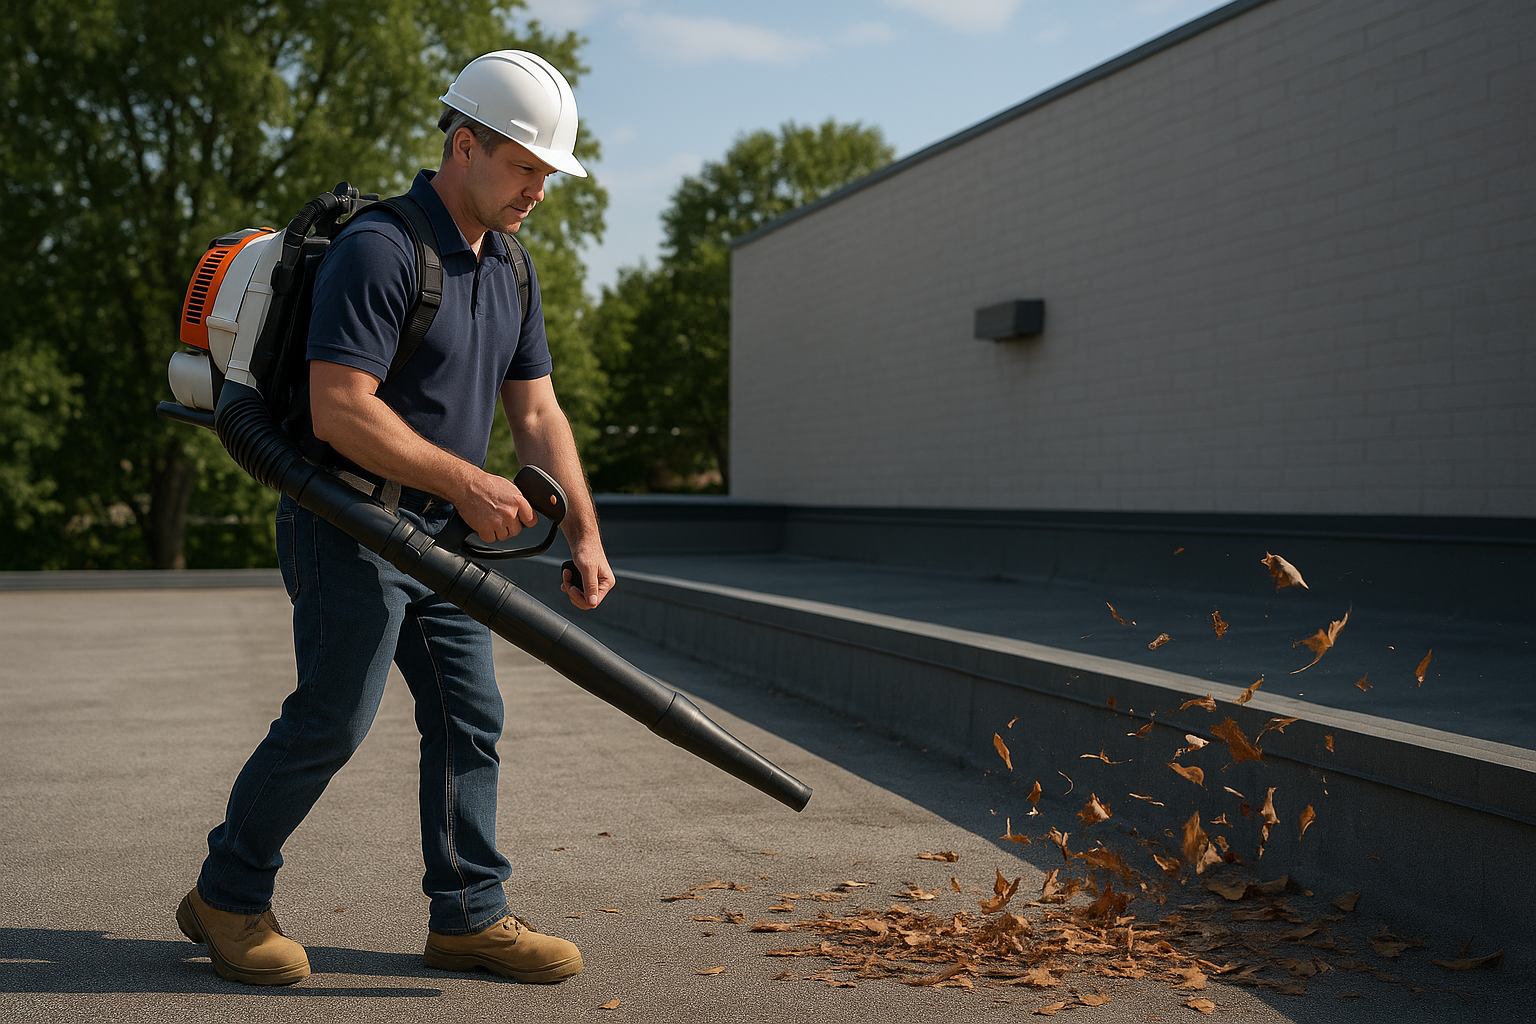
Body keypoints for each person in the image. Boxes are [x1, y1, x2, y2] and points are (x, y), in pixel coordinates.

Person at [174, 50, 614, 986]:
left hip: (439, 540)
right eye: (527, 167)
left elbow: (537, 412)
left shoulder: (511, 267)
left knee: (469, 717)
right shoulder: (382, 248)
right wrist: (466, 481)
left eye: (548, 173)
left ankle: (469, 916)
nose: (540, 189)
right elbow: (339, 406)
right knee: (332, 717)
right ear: (465, 145)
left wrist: (583, 529)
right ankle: (228, 895)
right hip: (348, 524)